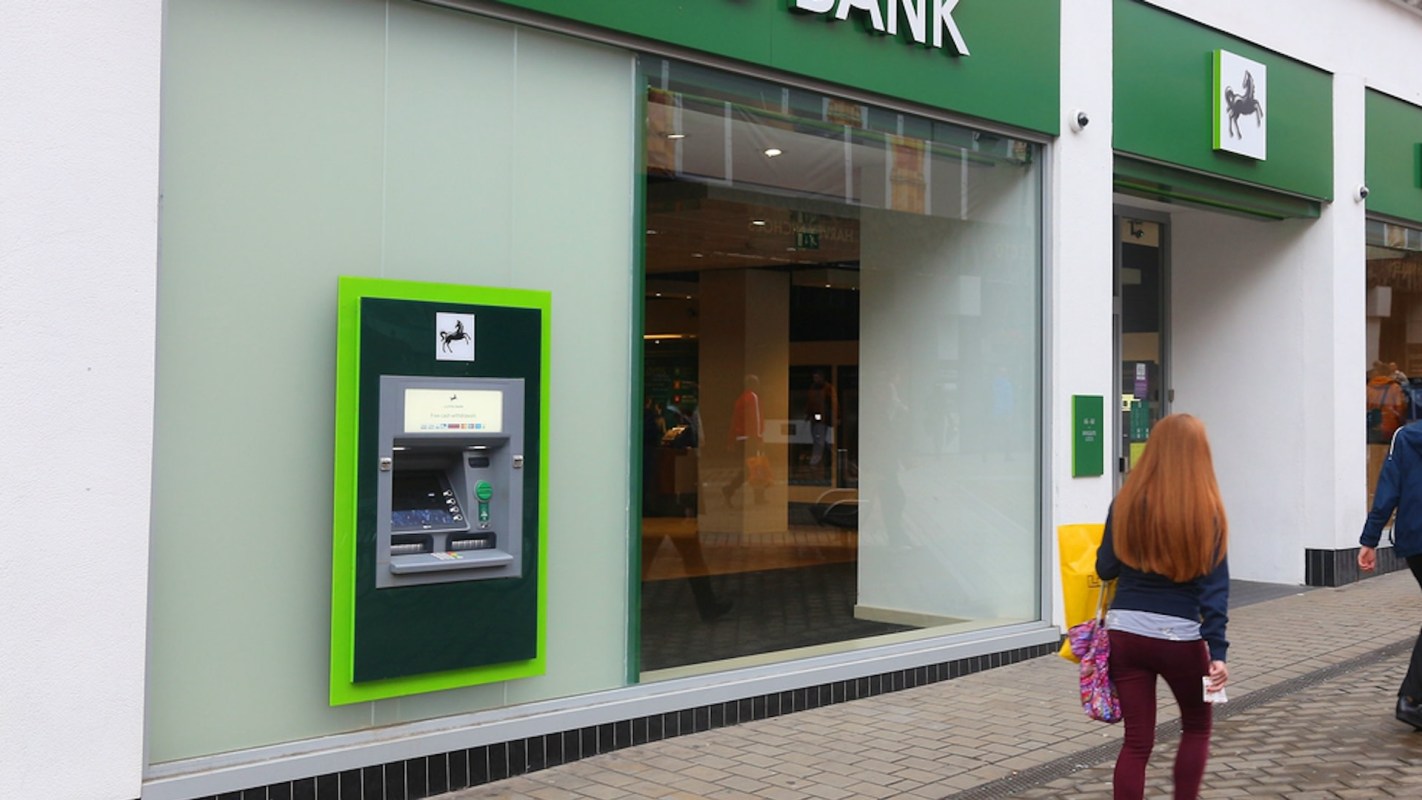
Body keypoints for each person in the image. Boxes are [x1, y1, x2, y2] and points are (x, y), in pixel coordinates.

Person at [1096, 413, 1230, 800]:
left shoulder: (1124, 502)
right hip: (1180, 639)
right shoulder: (1208, 510)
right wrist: (1217, 653)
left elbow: (1105, 568)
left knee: (1136, 742)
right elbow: (1214, 592)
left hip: (1125, 633)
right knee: (1197, 727)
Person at [1359, 418, 1422, 729]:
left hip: (1414, 541)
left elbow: (1387, 490)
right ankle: (1411, 699)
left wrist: (1370, 539)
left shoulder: (1405, 437)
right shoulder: (1405, 437)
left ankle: (1412, 699)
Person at [722, 374, 764, 505]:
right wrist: (758, 437)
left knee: (751, 467)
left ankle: (757, 495)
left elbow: (734, 421)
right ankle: (731, 489)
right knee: (754, 467)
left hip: (741, 438)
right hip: (751, 438)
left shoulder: (740, 400)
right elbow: (756, 419)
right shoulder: (753, 397)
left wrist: (731, 440)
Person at [804, 370, 837, 480]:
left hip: (823, 418)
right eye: (814, 377)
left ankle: (816, 462)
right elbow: (810, 402)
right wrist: (808, 414)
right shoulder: (813, 388)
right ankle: (819, 461)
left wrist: (835, 417)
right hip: (815, 418)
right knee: (818, 440)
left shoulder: (827, 388)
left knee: (819, 441)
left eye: (817, 377)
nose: (816, 379)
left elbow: (833, 403)